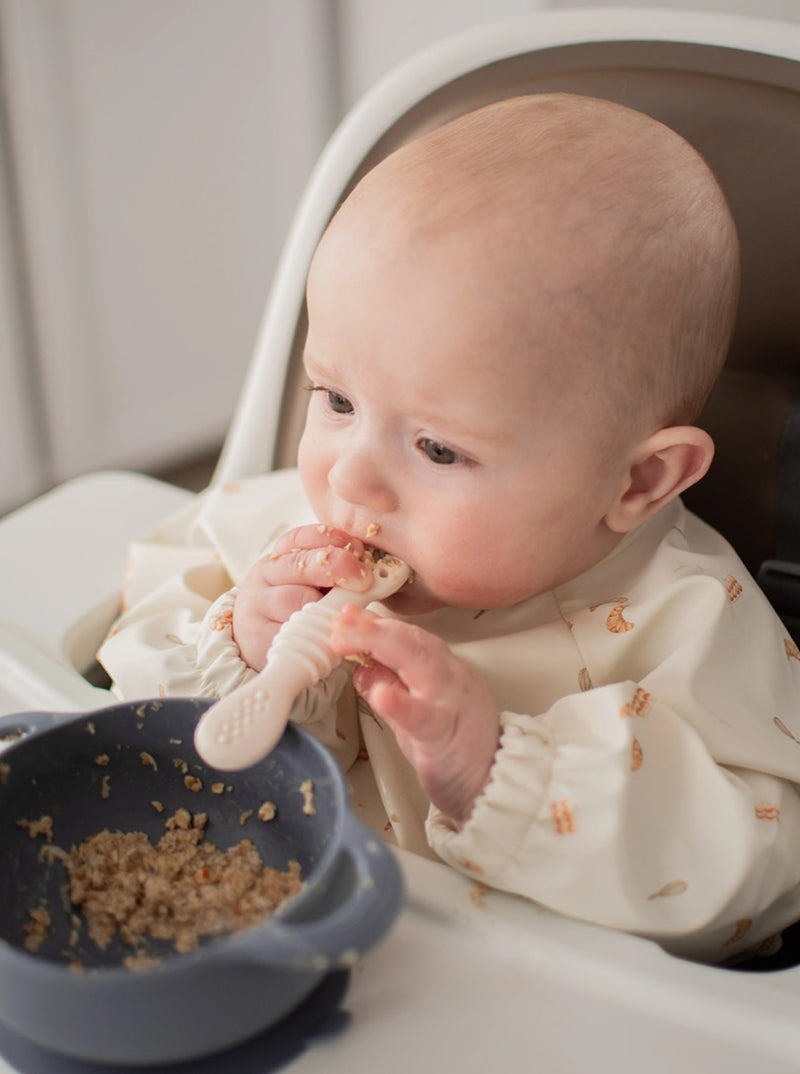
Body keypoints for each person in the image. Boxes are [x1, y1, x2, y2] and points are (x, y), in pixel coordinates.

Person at [99, 93, 800, 965]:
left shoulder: (690, 621)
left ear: (640, 480)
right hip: (265, 935)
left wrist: (502, 773)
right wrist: (245, 647)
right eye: (337, 400)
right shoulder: (295, 527)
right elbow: (124, 644)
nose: (350, 476)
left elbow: (766, 872)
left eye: (437, 446)